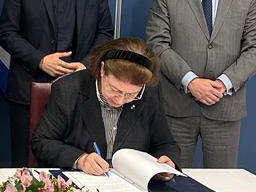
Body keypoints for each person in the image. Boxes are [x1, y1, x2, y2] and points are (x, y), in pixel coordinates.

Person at [0, 0, 114, 166]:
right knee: (26, 169)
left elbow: (105, 32)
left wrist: (85, 64)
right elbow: (6, 32)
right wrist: (40, 60)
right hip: (29, 91)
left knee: (77, 166)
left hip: (80, 91)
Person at [146, 0, 256, 168]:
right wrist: (191, 81)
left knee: (223, 184)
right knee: (171, 180)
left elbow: (255, 48)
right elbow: (157, 45)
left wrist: (223, 83)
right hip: (177, 108)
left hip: (225, 106)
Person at [32, 38, 179, 171]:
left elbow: (166, 144)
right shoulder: (69, 89)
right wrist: (81, 160)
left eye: (131, 95)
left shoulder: (149, 92)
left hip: (131, 183)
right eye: (115, 90)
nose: (120, 100)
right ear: (102, 70)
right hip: (82, 183)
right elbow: (42, 142)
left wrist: (167, 161)